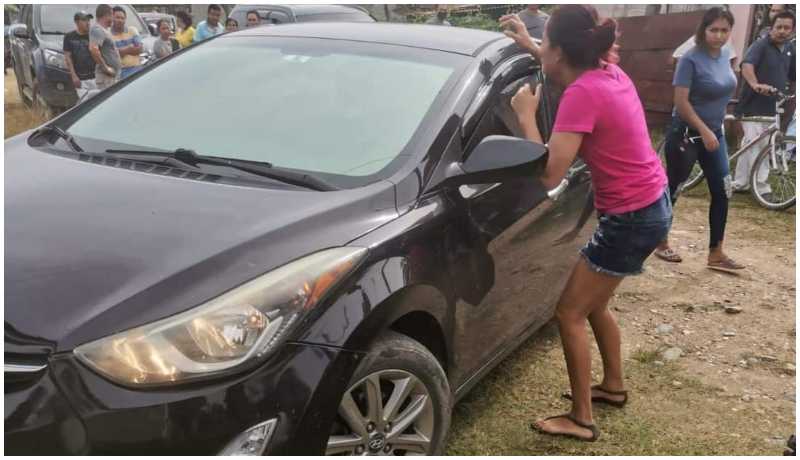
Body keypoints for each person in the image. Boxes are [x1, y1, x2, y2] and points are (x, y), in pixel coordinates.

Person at [500, 5, 671, 441]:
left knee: (569, 311)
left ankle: (580, 419)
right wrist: (526, 40)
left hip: (629, 217)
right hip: (651, 203)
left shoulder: (581, 94)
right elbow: (556, 55)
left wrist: (524, 116)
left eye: (545, 45)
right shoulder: (609, 72)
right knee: (594, 303)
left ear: (558, 51)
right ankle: (612, 387)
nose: (543, 52)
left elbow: (549, 174)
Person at [656, 8, 741, 271]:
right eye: (713, 30)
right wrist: (703, 130)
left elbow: (723, 87)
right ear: (703, 30)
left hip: (714, 133)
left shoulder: (727, 54)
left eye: (724, 30)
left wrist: (721, 120)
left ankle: (716, 252)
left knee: (722, 190)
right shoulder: (690, 58)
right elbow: (680, 103)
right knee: (675, 188)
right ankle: (660, 241)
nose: (719, 35)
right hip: (687, 134)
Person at [731, 11, 796, 196]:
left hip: (773, 106)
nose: (782, 31)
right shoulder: (760, 45)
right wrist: (755, 84)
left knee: (751, 144)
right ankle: (762, 188)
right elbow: (747, 65)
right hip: (754, 104)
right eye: (779, 27)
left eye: (787, 28)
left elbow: (793, 75)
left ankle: (741, 182)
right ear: (772, 28)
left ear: (793, 30)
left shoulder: (790, 49)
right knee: (760, 146)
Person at [63, 11, 96, 100]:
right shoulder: (69, 37)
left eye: (89, 20)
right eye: (85, 20)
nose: (88, 23)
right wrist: (73, 76)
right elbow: (68, 57)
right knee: (85, 103)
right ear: (77, 22)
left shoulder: (93, 35)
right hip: (81, 79)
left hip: (96, 76)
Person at [89, 4, 121, 90]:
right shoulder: (97, 29)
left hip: (111, 77)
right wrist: (105, 68)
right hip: (105, 78)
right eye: (112, 16)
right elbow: (93, 49)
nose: (113, 19)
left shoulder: (105, 30)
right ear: (107, 15)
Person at [110, 6, 143, 79]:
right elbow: (112, 56)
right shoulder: (108, 34)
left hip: (137, 68)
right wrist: (129, 49)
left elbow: (140, 49)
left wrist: (120, 51)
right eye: (117, 17)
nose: (120, 20)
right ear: (112, 18)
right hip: (120, 72)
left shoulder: (132, 30)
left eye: (122, 18)